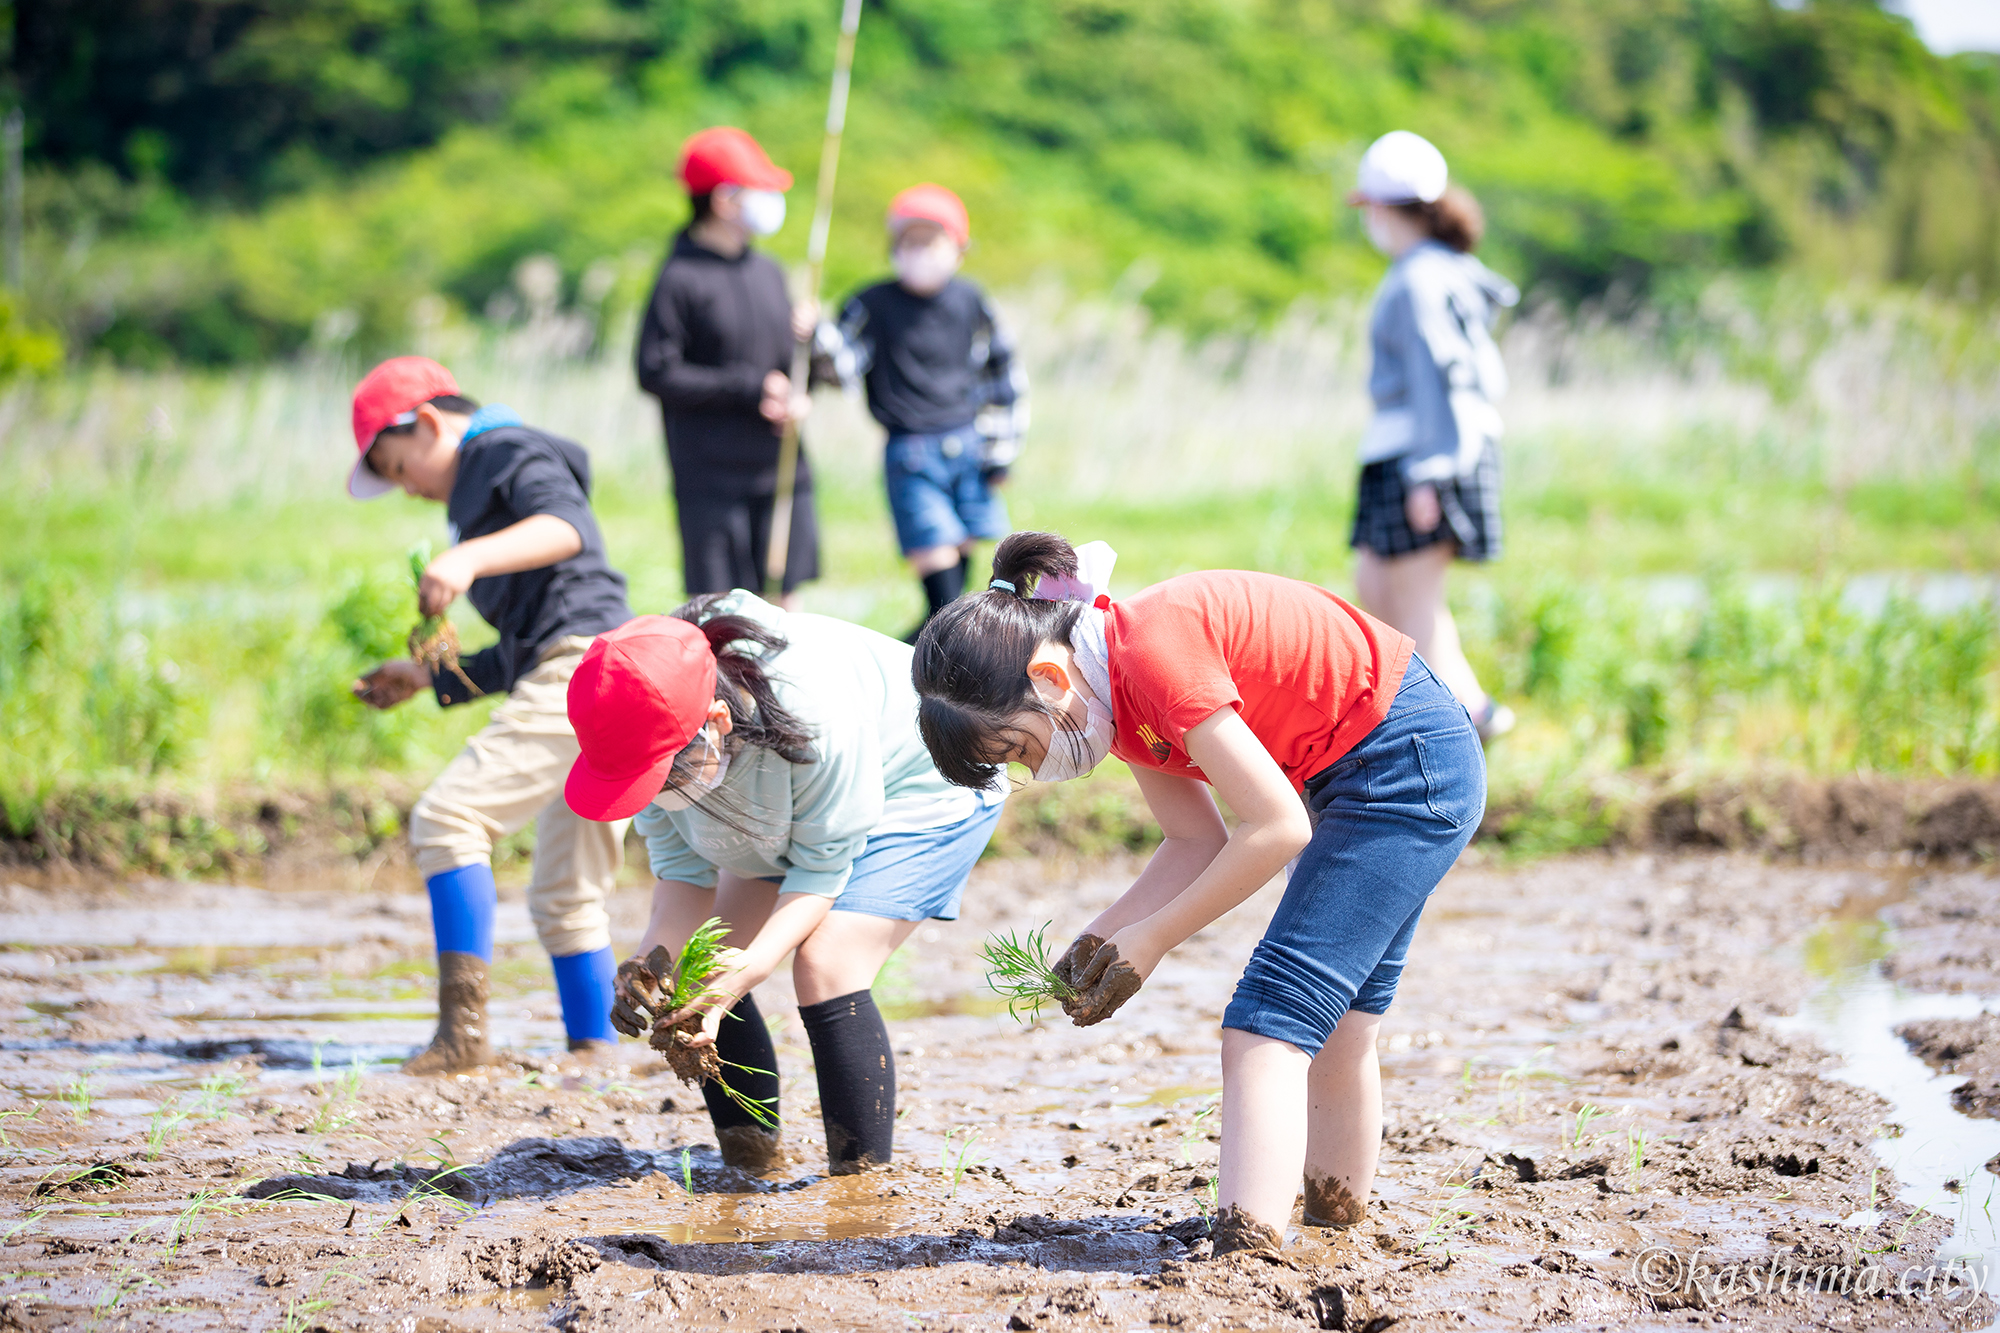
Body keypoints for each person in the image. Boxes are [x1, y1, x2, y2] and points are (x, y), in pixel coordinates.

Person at [909, 532, 1485, 1255]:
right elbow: (1194, 840)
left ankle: (1248, 1258)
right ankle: (1336, 1235)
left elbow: (1273, 826)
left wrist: (1150, 939)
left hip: (1405, 767)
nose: (1034, 771)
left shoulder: (1151, 653)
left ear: (1050, 679)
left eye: (1019, 750)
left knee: (1264, 1026)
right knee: (1338, 1023)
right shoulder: (1111, 692)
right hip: (1365, 773)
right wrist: (1101, 936)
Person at [563, 592, 1005, 1175]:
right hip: (785, 800)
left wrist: (743, 974)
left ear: (716, 722)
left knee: (826, 964)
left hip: (922, 782)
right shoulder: (650, 735)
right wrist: (652, 959)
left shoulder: (814, 710)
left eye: (658, 778)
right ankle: (750, 1163)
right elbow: (683, 876)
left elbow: (819, 873)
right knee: (700, 967)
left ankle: (859, 1187)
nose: (651, 798)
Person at [346, 356, 636, 1074]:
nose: (405, 487)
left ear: (432, 424)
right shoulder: (483, 484)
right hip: (604, 674)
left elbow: (567, 526)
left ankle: (461, 1035)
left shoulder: (501, 450)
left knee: (447, 819)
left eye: (397, 463)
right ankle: (596, 1051)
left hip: (579, 669)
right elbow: (524, 649)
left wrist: (467, 557)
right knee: (566, 891)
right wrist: (427, 675)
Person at [1346, 130, 1518, 741]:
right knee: (1377, 590)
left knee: (1414, 602)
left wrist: (1430, 472)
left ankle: (1466, 720)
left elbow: (1434, 379)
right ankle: (1433, 723)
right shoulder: (1440, 271)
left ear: (1385, 208)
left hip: (1424, 453)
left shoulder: (1419, 280)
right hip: (1412, 451)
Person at [813, 183, 1026, 640]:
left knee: (964, 570)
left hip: (968, 445)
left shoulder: (972, 302)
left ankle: (935, 654)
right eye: (909, 243)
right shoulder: (870, 304)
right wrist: (817, 335)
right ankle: (928, 659)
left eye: (932, 243)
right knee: (942, 588)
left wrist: (1001, 451)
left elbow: (1003, 376)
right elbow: (842, 367)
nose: (920, 253)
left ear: (959, 250)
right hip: (911, 449)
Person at [637, 126, 817, 608]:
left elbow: (791, 366)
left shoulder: (768, 272)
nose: (770, 200)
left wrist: (804, 371)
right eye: (759, 189)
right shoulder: (679, 278)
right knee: (720, 611)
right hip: (711, 475)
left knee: (785, 607)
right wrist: (749, 387)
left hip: (779, 467)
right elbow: (655, 371)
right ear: (722, 199)